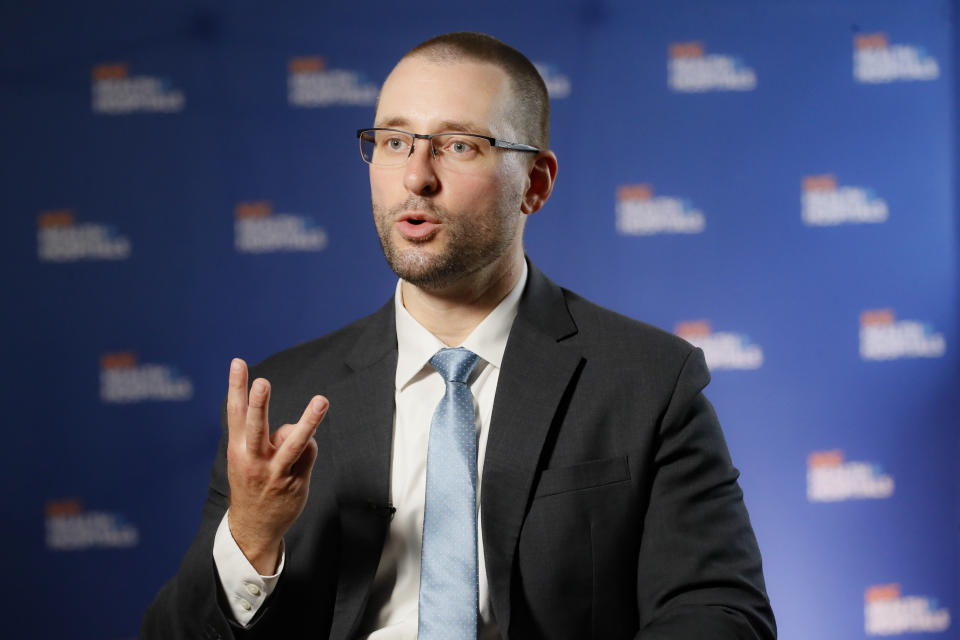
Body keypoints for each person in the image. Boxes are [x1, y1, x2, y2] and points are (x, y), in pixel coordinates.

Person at [142, 32, 776, 640]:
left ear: (535, 184)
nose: (416, 177)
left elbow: (721, 610)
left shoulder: (648, 381)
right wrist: (249, 537)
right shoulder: (284, 395)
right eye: (394, 142)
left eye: (459, 146)